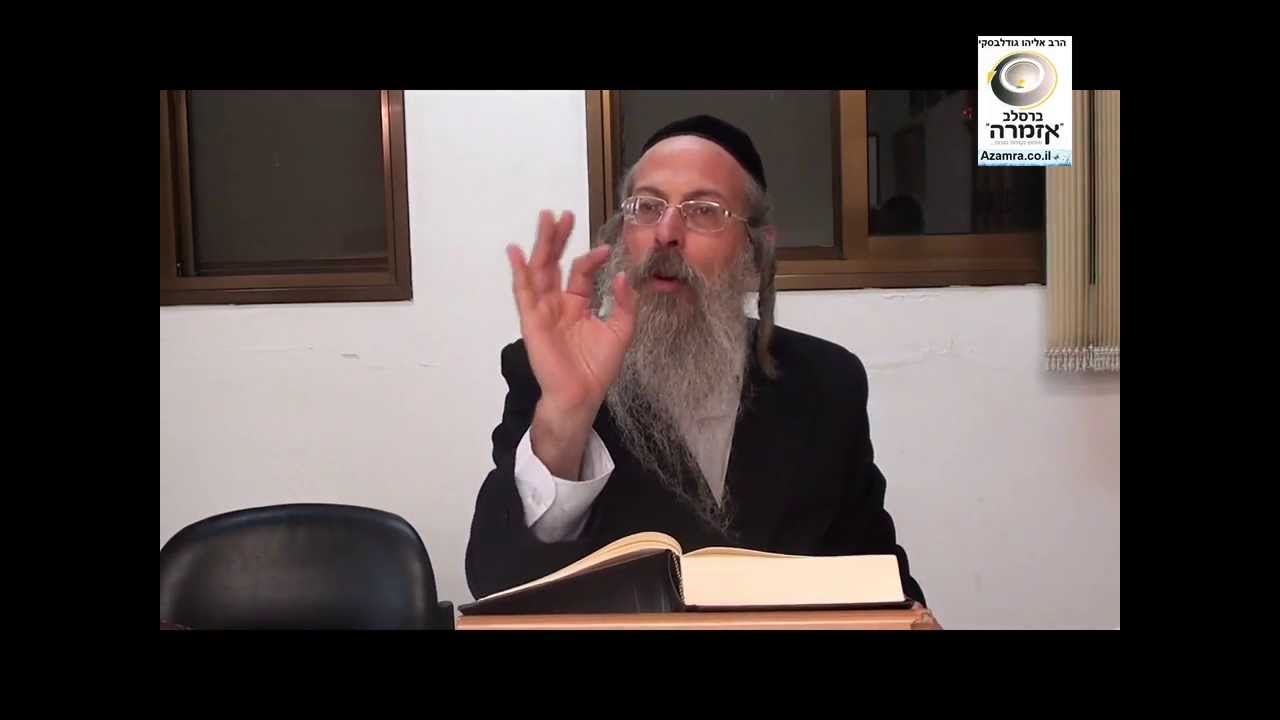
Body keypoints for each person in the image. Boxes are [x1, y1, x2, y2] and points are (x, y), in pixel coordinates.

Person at [465, 114, 925, 606]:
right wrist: (566, 416)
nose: (666, 232)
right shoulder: (551, 370)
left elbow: (881, 581)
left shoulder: (827, 381)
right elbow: (496, 581)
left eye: (704, 211)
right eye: (647, 207)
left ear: (755, 250)